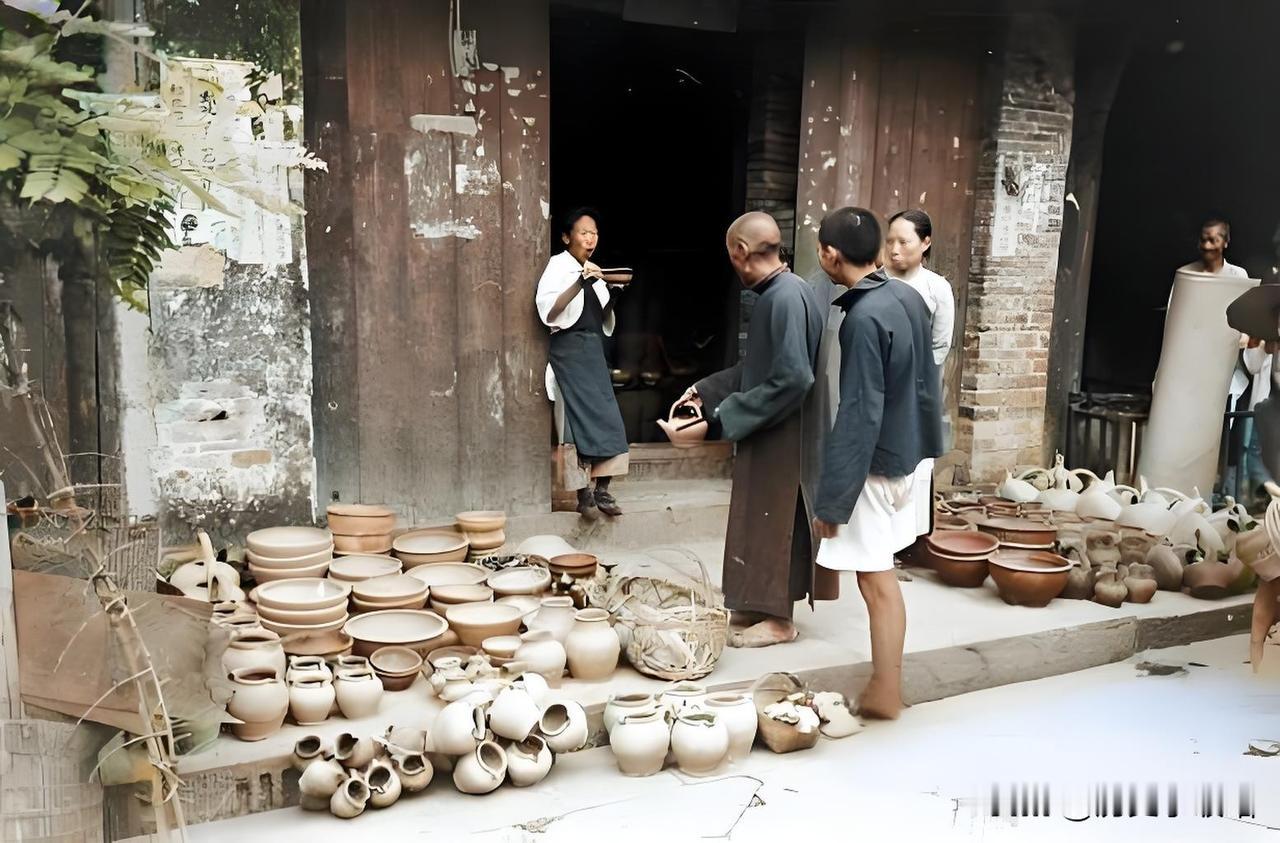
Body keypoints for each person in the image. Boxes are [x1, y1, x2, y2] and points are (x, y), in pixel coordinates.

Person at [675, 211, 837, 648]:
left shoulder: (782, 298)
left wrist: (724, 419)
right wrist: (704, 390)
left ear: (741, 252)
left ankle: (780, 619)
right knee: (757, 517)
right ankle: (754, 602)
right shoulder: (787, 291)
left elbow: (793, 378)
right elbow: (757, 368)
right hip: (773, 426)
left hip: (783, 432)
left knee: (773, 520)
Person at [811, 206, 943, 719]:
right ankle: (886, 682)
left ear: (830, 254)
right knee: (879, 577)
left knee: (876, 580)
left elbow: (860, 411)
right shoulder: (906, 297)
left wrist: (833, 500)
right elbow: (925, 384)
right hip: (906, 455)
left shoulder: (862, 319)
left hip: (876, 464)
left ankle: (886, 687)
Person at [536, 208, 629, 516]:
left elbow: (603, 318)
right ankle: (582, 495)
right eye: (584, 233)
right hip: (567, 354)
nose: (591, 239)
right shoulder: (557, 267)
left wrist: (613, 294)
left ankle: (603, 491)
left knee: (609, 419)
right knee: (572, 424)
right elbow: (549, 312)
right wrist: (580, 283)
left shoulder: (595, 269)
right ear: (567, 237)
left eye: (595, 233)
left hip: (593, 353)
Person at [884, 209, 954, 539]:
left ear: (925, 243)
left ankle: (907, 541)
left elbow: (940, 346)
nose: (895, 249)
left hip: (916, 389)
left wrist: (917, 384)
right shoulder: (875, 282)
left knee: (914, 467)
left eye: (904, 241)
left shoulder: (936, 288)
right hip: (876, 383)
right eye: (890, 241)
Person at [1179, 219, 1248, 278]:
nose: (1206, 246)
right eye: (1203, 240)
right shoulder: (1185, 273)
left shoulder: (1239, 275)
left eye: (1213, 240)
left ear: (1225, 242)